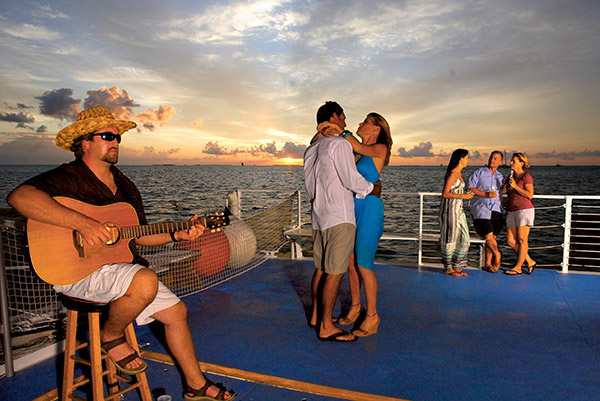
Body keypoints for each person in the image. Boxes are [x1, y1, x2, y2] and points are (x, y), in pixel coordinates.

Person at [6, 106, 236, 401]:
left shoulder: (125, 185)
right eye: (107, 135)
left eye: (117, 136)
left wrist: (176, 234)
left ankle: (195, 384)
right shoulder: (69, 177)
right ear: (85, 143)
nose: (115, 141)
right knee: (145, 280)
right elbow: (19, 197)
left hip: (118, 270)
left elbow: (138, 236)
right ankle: (110, 335)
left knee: (177, 312)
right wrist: (82, 223)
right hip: (77, 272)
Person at [304, 101, 381, 342]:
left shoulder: (312, 148)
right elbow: (351, 179)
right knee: (335, 273)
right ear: (334, 117)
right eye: (343, 117)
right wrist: (370, 187)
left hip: (319, 216)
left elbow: (309, 187)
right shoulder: (338, 144)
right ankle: (326, 326)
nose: (346, 122)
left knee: (321, 269)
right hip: (340, 216)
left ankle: (317, 317)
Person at [316, 113, 392, 337]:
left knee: (364, 264)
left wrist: (339, 129)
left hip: (369, 209)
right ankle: (356, 307)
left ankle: (372, 316)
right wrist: (324, 130)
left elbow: (358, 146)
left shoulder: (379, 149)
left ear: (376, 129)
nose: (359, 124)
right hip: (351, 209)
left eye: (365, 122)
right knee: (350, 262)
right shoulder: (353, 151)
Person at [467, 151, 506, 273]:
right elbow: (470, 187)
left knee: (492, 238)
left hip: (497, 209)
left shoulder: (500, 177)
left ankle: (488, 263)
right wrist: (485, 194)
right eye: (491, 158)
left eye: (495, 159)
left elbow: (504, 192)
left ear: (500, 162)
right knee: (489, 237)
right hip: (482, 209)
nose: (492, 160)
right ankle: (497, 255)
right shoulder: (479, 172)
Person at [439, 149, 475, 276]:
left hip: (458, 211)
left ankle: (457, 265)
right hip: (450, 211)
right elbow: (445, 193)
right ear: (461, 159)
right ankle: (448, 267)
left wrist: (464, 195)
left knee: (464, 238)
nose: (467, 160)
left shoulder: (459, 174)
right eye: (466, 158)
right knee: (450, 237)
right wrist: (463, 196)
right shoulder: (453, 174)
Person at [504, 153, 536, 275]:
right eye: (511, 161)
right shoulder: (511, 177)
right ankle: (530, 261)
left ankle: (518, 267)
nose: (511, 163)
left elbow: (530, 195)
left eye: (514, 161)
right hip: (512, 211)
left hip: (524, 210)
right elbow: (503, 191)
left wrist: (515, 187)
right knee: (510, 241)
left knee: (522, 239)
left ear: (521, 163)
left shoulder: (526, 176)